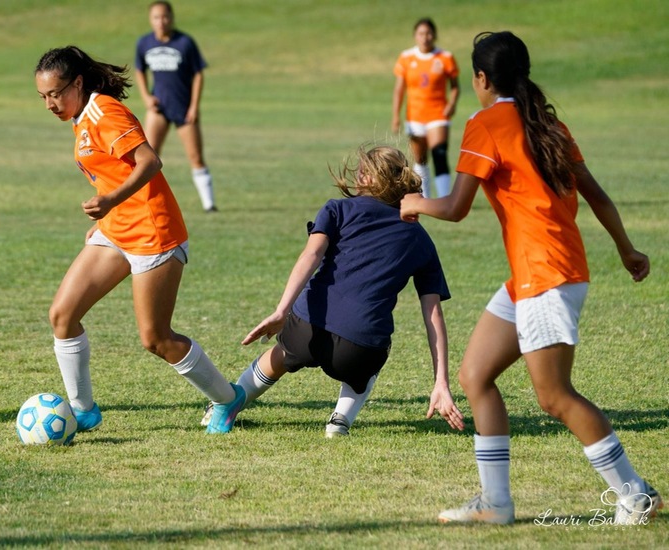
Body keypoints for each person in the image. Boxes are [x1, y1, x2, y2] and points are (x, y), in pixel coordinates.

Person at [400, 31, 660, 525]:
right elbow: (598, 196)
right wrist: (627, 250)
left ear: (480, 78)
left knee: (554, 396)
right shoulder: (549, 123)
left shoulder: (485, 123)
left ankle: (636, 495)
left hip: (546, 275)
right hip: (542, 273)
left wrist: (415, 203)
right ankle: (495, 504)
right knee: (475, 375)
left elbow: (455, 208)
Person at [34, 45, 243, 435]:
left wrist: (111, 200)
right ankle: (83, 412)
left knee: (156, 338)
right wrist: (108, 217)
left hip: (154, 233)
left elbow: (150, 161)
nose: (49, 103)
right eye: (43, 96)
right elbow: (111, 171)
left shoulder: (104, 112)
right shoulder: (80, 117)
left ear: (77, 83)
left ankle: (227, 399)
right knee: (62, 316)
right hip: (117, 231)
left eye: (56, 93)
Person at [208, 145, 464, 437]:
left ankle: (229, 404)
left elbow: (311, 255)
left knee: (281, 353)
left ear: (368, 177)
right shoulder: (420, 238)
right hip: (360, 347)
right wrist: (440, 381)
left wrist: (281, 311)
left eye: (362, 168)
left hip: (308, 328)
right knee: (370, 364)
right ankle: (340, 420)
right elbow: (433, 315)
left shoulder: (337, 208)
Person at [134, 1, 217, 212]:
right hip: (158, 108)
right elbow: (139, 70)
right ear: (150, 19)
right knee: (148, 157)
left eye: (165, 17)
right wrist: (146, 97)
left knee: (195, 156)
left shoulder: (185, 43)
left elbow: (198, 74)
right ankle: (145, 202)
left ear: (171, 18)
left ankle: (209, 204)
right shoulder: (144, 43)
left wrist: (194, 106)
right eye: (156, 17)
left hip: (183, 108)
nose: (161, 22)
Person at [391, 18, 460, 199]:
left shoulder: (445, 57)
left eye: (429, 33)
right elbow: (399, 89)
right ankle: (425, 197)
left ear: (434, 35)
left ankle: (445, 198)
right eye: (421, 34)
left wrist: (452, 103)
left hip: (438, 113)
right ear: (415, 36)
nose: (425, 37)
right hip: (415, 115)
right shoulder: (406, 57)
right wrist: (396, 116)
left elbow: (455, 86)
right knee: (420, 158)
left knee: (439, 152)